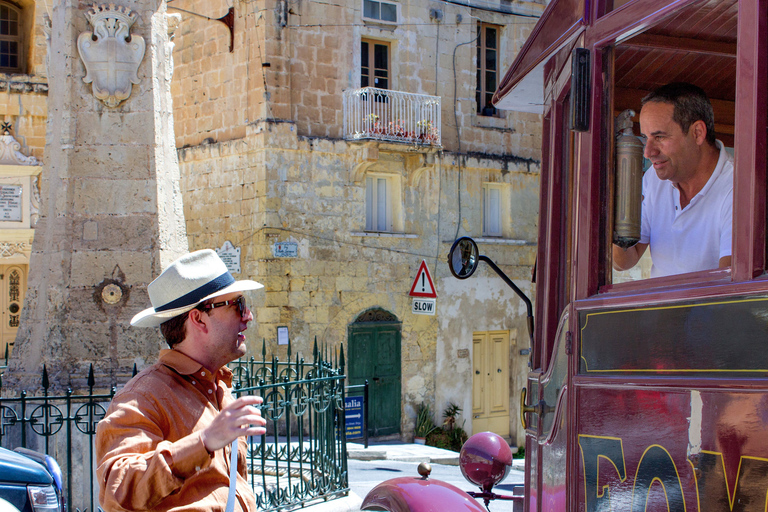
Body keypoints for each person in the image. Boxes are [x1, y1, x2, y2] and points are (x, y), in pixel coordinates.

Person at [96, 249, 267, 512]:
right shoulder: (143, 396)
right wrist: (204, 442)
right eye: (238, 305)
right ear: (198, 318)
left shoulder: (220, 389)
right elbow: (117, 490)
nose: (248, 316)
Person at [613, 82, 733, 278]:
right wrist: (614, 205)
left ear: (697, 133)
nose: (648, 152)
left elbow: (730, 285)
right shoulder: (654, 177)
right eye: (645, 138)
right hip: (662, 308)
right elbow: (624, 261)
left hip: (708, 308)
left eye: (659, 137)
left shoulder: (737, 187)